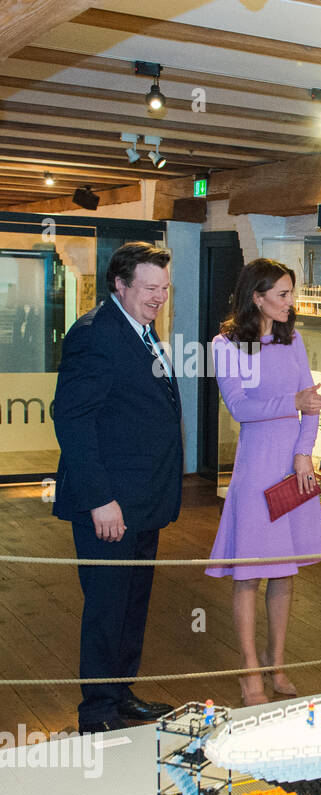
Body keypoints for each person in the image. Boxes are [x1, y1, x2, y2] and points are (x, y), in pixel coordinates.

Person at [52, 241, 183, 734]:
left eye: (164, 288)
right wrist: (100, 499)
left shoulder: (142, 331)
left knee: (132, 604)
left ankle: (121, 692)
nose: (159, 297)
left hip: (143, 501)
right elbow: (72, 420)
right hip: (109, 504)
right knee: (107, 607)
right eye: (150, 288)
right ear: (120, 285)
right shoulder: (95, 334)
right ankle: (98, 712)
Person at [205, 259, 321, 705]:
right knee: (250, 574)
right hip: (256, 463)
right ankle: (248, 669)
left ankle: (277, 661)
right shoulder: (225, 345)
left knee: (285, 572)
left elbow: (311, 404)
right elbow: (240, 408)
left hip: (291, 466)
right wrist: (291, 401)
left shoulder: (292, 338)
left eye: (290, 293)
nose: (290, 302)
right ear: (256, 297)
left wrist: (303, 453)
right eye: (281, 294)